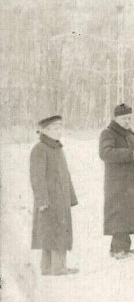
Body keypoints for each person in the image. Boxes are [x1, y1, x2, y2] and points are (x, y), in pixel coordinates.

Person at [99, 104, 134, 259]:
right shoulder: (108, 133)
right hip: (117, 182)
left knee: (128, 214)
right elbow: (105, 153)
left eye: (129, 118)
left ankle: (123, 248)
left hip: (131, 181)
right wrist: (129, 155)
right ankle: (118, 250)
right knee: (119, 215)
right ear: (116, 118)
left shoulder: (129, 134)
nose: (127, 121)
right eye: (124, 118)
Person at [30, 115, 79, 276]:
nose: (60, 131)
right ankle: (56, 268)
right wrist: (42, 200)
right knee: (51, 233)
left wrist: (71, 197)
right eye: (56, 128)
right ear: (45, 130)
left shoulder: (57, 148)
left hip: (61, 200)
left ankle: (50, 267)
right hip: (49, 201)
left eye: (61, 127)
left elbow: (66, 175)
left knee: (57, 231)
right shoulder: (40, 149)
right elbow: (37, 177)